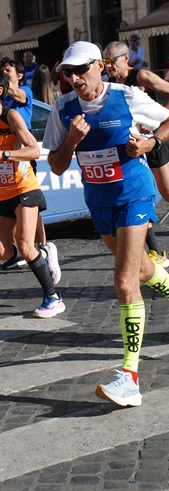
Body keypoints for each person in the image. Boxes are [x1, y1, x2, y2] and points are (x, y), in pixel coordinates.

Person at [43, 40, 169, 407]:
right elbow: (55, 164)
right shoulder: (63, 108)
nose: (76, 78)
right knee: (144, 271)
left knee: (124, 281)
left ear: (100, 66)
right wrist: (71, 141)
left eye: (82, 70)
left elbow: (165, 119)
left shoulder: (126, 96)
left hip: (135, 195)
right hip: (98, 203)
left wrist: (150, 144)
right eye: (69, 72)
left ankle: (129, 377)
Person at [0, 69, 64, 318]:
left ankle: (52, 297)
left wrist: (6, 155)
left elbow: (34, 150)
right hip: (0, 192)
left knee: (23, 244)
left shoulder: (11, 117)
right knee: (1, 252)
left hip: (24, 188)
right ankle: (43, 253)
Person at [103, 40, 169, 266]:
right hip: (131, 146)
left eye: (112, 60)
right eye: (105, 62)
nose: (109, 66)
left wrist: (157, 120)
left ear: (126, 59)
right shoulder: (109, 84)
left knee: (167, 192)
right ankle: (156, 252)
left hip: (155, 140)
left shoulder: (142, 77)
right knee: (138, 194)